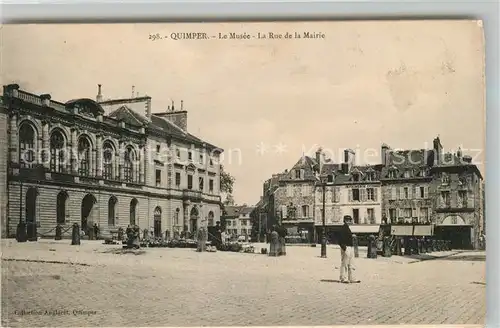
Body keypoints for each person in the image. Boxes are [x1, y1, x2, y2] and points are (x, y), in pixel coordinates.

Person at [338, 215, 360, 284]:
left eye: (349, 220)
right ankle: (343, 278)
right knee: (344, 263)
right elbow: (340, 240)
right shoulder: (343, 228)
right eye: (347, 220)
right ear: (344, 221)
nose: (349, 221)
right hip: (346, 247)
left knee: (351, 263)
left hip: (350, 247)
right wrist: (344, 248)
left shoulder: (347, 228)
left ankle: (351, 278)